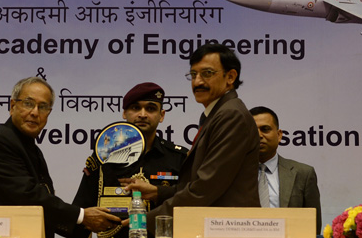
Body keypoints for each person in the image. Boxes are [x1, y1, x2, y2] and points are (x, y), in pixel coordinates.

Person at [123, 43, 260, 233]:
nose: (197, 82)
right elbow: (199, 185)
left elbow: (205, 189)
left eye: (207, 73)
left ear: (230, 77)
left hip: (228, 229)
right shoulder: (217, 114)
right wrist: (158, 192)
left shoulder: (231, 115)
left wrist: (144, 221)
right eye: (193, 75)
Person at [0, 77, 121, 238]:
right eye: (28, 103)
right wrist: (82, 217)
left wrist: (88, 225)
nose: (35, 112)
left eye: (43, 107)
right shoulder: (0, 141)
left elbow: (44, 206)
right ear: (13, 106)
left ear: (48, 113)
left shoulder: (30, 147)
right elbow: (28, 197)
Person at [72, 82, 188, 238]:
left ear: (162, 115)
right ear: (124, 113)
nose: (142, 114)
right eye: (135, 108)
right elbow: (82, 213)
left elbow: (193, 204)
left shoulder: (178, 158)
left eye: (151, 108)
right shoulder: (103, 157)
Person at [250, 106, 322, 233]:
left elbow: (313, 226)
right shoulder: (232, 174)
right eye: (252, 130)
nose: (259, 135)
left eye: (265, 129)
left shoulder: (303, 174)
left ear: (279, 135)